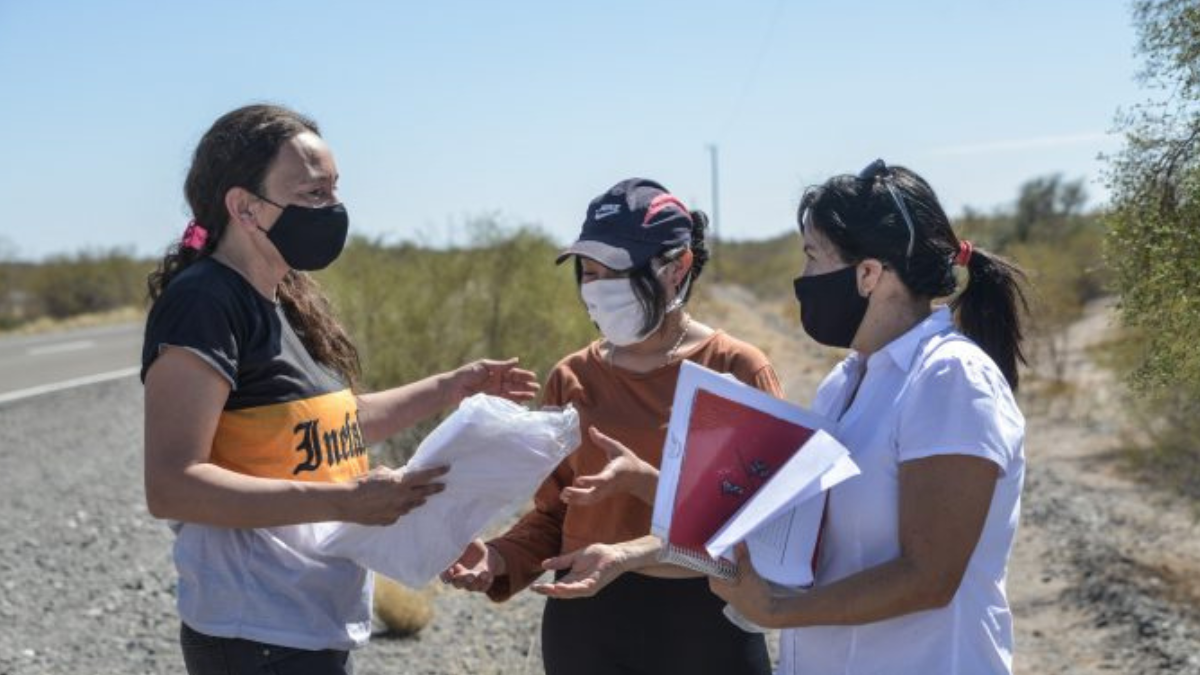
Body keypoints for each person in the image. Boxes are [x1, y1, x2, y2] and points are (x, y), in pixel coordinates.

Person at [141, 104, 539, 675]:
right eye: (312, 192)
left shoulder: (284, 300)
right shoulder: (204, 302)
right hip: (254, 633)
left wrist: (452, 387)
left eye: (333, 189)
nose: (331, 208)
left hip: (310, 623)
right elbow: (172, 485)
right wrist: (345, 502)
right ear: (244, 207)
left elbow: (333, 428)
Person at [442, 178, 779, 675]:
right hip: (587, 627)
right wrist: (499, 556)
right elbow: (555, 516)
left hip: (706, 624)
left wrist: (644, 489)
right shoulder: (572, 376)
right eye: (588, 271)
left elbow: (764, 525)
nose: (595, 287)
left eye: (613, 271)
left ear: (677, 267)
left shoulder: (734, 370)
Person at [710, 159, 1028, 674]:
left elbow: (930, 575)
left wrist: (778, 611)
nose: (803, 278)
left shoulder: (950, 378)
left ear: (868, 274)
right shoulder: (845, 383)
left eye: (813, 258)